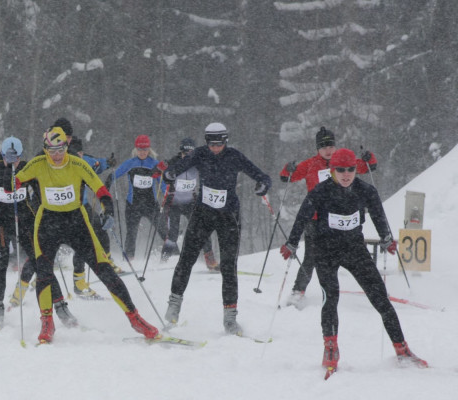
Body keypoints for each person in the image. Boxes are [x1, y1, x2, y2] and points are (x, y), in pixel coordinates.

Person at [280, 148, 426, 375]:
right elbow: (302, 217)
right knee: (331, 297)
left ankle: (402, 349)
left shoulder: (366, 190)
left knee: (380, 297)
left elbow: (378, 215)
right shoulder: (321, 191)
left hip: (354, 250)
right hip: (325, 250)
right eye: (340, 170)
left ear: (356, 170)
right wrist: (291, 243)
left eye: (351, 169)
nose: (346, 174)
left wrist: (386, 238)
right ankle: (331, 349)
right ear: (332, 170)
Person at [15, 126, 159, 344]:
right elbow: (14, 181)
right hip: (47, 223)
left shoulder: (77, 164)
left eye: (60, 149)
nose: (56, 156)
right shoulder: (37, 164)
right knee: (43, 272)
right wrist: (8, 177)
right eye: (51, 151)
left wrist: (108, 210)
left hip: (76, 222)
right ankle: (47, 322)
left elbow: (101, 190)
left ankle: (135, 318)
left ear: (66, 146)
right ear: (45, 149)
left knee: (104, 268)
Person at [163, 122, 271, 334]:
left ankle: (230, 319)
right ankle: (173, 308)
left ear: (225, 141)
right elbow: (179, 167)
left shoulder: (234, 156)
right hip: (203, 214)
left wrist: (263, 185)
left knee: (229, 267)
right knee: (186, 259)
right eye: (211, 144)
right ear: (206, 142)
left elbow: (261, 175)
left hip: (228, 217)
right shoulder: (200, 154)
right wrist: (170, 173)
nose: (215, 148)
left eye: (219, 144)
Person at [0, 136, 79, 329]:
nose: (13, 160)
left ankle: (61, 307)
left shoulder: (29, 167)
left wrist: (47, 212)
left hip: (24, 219)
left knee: (42, 262)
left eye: (16, 157)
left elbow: (42, 190)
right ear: (2, 155)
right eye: (9, 156)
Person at [279, 126, 378, 308]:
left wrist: (369, 158)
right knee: (311, 257)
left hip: (340, 219)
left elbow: (368, 167)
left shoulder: (343, 163)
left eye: (331, 146)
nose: (328, 150)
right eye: (323, 147)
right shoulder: (310, 165)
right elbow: (287, 178)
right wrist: (288, 169)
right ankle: (298, 291)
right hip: (316, 219)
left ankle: (373, 288)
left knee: (353, 256)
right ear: (317, 149)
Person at [67, 137, 122, 299]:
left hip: (84, 206)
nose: (76, 157)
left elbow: (97, 163)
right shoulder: (63, 164)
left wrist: (109, 162)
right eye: (72, 154)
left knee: (100, 228)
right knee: (81, 243)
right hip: (67, 210)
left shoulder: (85, 160)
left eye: (78, 154)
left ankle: (108, 259)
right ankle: (78, 282)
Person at [160, 137, 218, 269]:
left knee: (202, 229)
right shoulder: (174, 162)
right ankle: (163, 261)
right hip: (173, 204)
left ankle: (210, 260)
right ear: (181, 152)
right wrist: (160, 169)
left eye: (190, 153)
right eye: (185, 153)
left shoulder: (197, 163)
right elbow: (159, 173)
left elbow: (209, 173)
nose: (187, 156)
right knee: (173, 234)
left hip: (190, 203)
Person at [111, 135, 168, 260]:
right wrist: (106, 184)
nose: (142, 152)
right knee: (131, 233)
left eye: (145, 149)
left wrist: (167, 195)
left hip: (150, 204)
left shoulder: (154, 164)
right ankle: (129, 259)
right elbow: (115, 175)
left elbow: (162, 183)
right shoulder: (130, 163)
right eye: (140, 149)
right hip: (133, 205)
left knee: (163, 230)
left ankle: (171, 255)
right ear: (136, 149)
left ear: (149, 150)